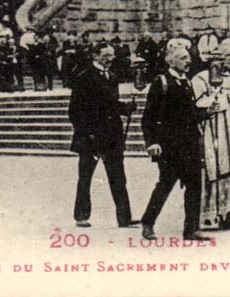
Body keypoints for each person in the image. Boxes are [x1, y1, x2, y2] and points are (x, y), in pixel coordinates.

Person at [140, 38, 206, 241]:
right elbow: (148, 116)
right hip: (170, 146)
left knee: (194, 186)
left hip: (190, 144)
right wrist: (152, 142)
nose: (188, 61)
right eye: (183, 58)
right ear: (171, 61)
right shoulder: (161, 82)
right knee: (165, 185)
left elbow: (189, 114)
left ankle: (191, 229)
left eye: (189, 58)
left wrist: (206, 111)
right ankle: (148, 223)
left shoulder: (186, 81)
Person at [68, 42, 136, 229]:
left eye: (111, 55)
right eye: (106, 55)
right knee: (85, 177)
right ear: (95, 56)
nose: (110, 59)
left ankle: (124, 217)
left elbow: (109, 104)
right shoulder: (84, 77)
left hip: (112, 135)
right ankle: (81, 216)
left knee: (118, 177)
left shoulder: (111, 76)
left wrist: (125, 108)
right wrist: (86, 133)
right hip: (91, 137)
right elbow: (74, 110)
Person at [191, 36, 230, 231]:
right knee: (216, 170)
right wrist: (214, 101)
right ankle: (213, 215)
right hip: (213, 134)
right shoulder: (201, 78)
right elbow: (196, 104)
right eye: (228, 55)